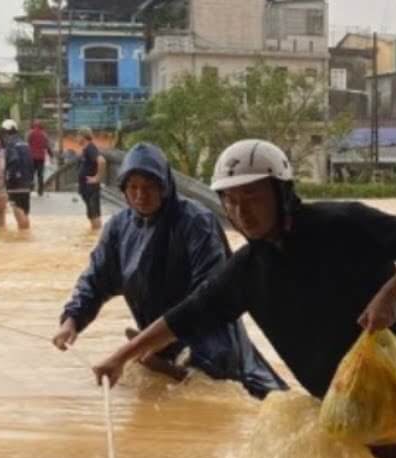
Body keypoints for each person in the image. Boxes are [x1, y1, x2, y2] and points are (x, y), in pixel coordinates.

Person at [92, 140, 396, 458]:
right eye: (231, 201)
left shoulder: (342, 223)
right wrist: (120, 357)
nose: (242, 212)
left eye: (252, 197)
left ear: (281, 193)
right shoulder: (245, 271)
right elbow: (186, 316)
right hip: (338, 394)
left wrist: (389, 296)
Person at [53, 142, 286, 396]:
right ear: (123, 190)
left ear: (164, 186)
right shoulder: (119, 228)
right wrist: (72, 320)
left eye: (148, 187)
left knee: (225, 391)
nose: (140, 195)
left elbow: (208, 296)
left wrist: (130, 351)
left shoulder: (196, 222)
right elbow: (95, 279)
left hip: (210, 342)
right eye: (133, 187)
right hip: (155, 341)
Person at [0, 119, 34, 230]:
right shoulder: (25, 144)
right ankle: (26, 235)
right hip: (27, 182)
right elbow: (31, 163)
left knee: (17, 208)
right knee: (25, 211)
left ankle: (22, 234)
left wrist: (9, 177)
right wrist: (31, 180)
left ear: (5, 131)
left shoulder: (11, 144)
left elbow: (14, 160)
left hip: (16, 183)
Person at [78, 127, 106, 231]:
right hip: (86, 187)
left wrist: (97, 177)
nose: (77, 138)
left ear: (83, 136)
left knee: (94, 212)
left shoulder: (90, 147)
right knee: (91, 212)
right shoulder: (86, 149)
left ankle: (97, 234)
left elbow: (102, 161)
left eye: (78, 136)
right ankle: (93, 235)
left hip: (91, 187)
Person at [27, 120, 53, 196]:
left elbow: (27, 143)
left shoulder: (30, 133)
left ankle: (30, 187)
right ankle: (40, 190)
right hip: (41, 157)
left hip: (31, 156)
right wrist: (51, 154)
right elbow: (47, 145)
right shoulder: (44, 134)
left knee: (31, 173)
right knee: (40, 174)